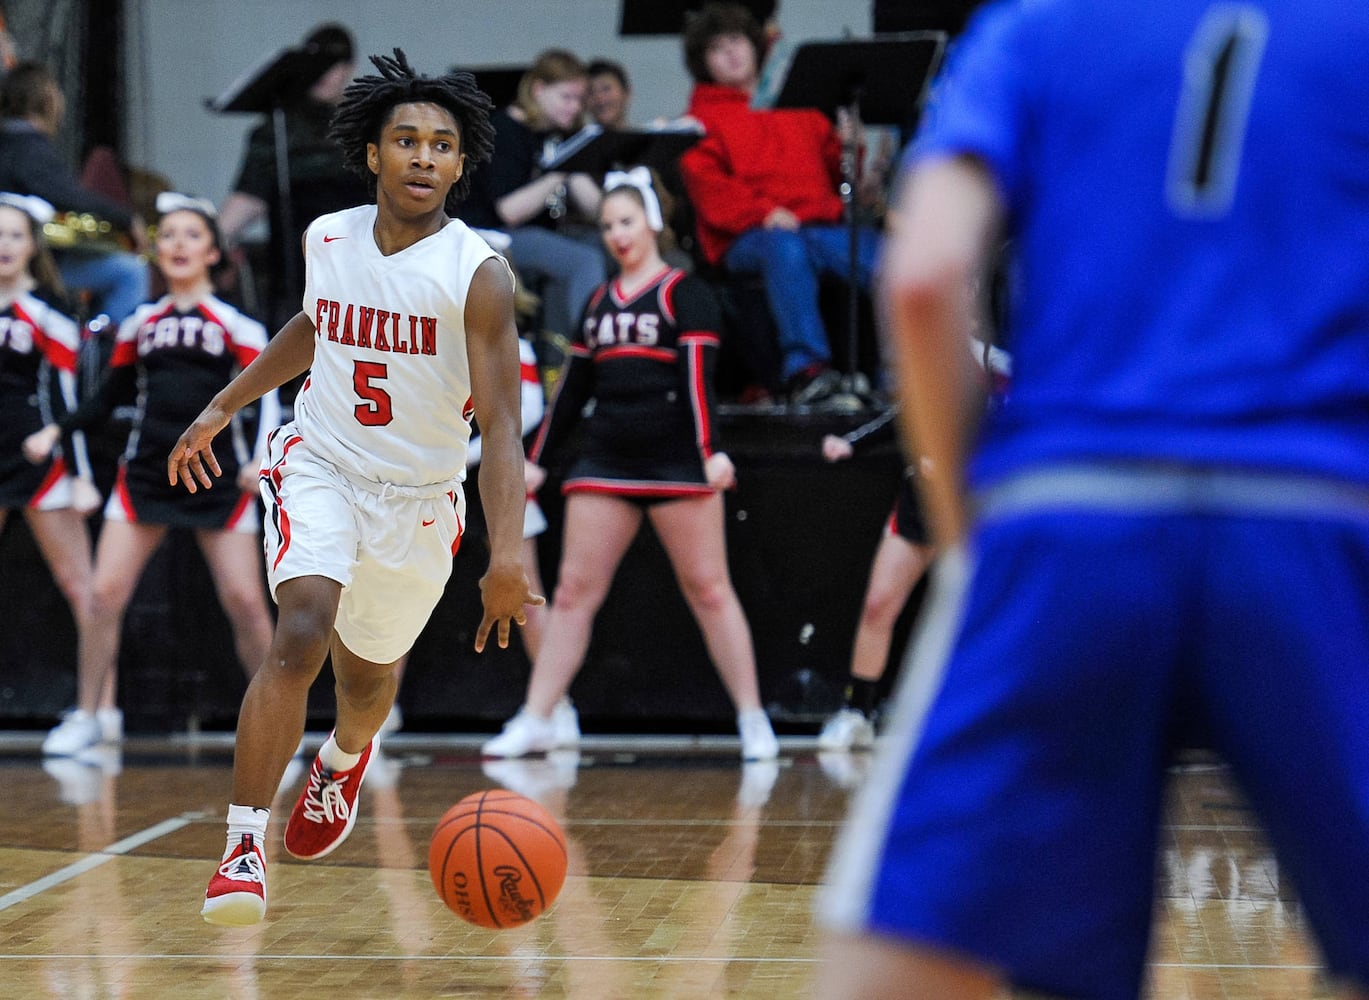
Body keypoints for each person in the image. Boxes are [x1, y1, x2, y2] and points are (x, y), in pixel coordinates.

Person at [818, 3, 1369, 999]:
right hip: (1315, 509)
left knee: (904, 956)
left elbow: (925, 275)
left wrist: (975, 536)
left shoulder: (1036, 27)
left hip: (1067, 510)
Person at [167, 50, 538, 927]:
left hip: (420, 496)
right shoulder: (327, 236)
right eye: (403, 139)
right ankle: (242, 848)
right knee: (300, 633)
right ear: (371, 153)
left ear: (459, 163)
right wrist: (226, 404)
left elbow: (504, 430)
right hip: (321, 461)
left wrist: (507, 554)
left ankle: (342, 759)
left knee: (367, 683)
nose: (420, 157)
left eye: (439, 146)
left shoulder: (478, 274)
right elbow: (314, 322)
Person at [482, 170, 777, 762]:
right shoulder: (596, 302)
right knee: (570, 593)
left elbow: (698, 383)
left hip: (677, 460)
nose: (617, 235)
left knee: (710, 590)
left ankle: (752, 719)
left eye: (627, 223)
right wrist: (536, 462)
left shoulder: (684, 293)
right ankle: (538, 717)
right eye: (609, 225)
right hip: (607, 458)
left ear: (653, 225)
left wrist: (710, 452)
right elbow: (572, 394)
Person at [28, 193, 278, 757]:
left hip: (219, 476)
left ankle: (273, 728)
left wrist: (261, 459)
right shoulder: (140, 322)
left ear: (214, 251)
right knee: (103, 595)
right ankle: (90, 715)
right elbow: (107, 396)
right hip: (144, 475)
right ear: (156, 251)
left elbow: (266, 397)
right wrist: (57, 430)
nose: (179, 245)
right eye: (168, 236)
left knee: (244, 599)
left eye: (192, 235)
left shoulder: (238, 325)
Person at [678, 2, 880, 407]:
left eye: (737, 41)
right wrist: (764, 213)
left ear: (755, 45)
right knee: (785, 248)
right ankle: (808, 373)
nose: (732, 53)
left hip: (816, 227)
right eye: (718, 49)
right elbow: (711, 192)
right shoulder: (700, 118)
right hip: (748, 238)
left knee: (891, 256)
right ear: (705, 63)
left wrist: (851, 147)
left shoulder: (795, 98)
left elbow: (838, 173)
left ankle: (902, 374)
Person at [0, 192, 97, 723]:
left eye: (15, 235)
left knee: (81, 588)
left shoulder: (49, 310)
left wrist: (80, 475)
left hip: (39, 462)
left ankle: (97, 713)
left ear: (32, 245)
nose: (5, 245)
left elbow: (68, 397)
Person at [218, 23, 370, 333]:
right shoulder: (277, 129)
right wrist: (209, 240)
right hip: (300, 267)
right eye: (318, 66)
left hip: (367, 262)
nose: (326, 74)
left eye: (335, 65)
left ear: (350, 68)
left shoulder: (367, 124)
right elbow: (248, 199)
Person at [457, 49, 605, 350]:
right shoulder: (504, 130)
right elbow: (510, 211)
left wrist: (576, 159)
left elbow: (599, 212)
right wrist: (559, 171)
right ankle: (591, 354)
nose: (574, 107)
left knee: (607, 244)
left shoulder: (557, 133)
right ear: (538, 90)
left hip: (538, 233)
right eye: (566, 97)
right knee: (585, 260)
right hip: (492, 235)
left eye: (579, 100)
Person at [814, 410, 933, 752]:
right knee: (879, 603)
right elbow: (908, 409)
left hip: (987, 495)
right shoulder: (953, 360)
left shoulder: (1015, 367)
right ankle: (858, 712)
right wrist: (853, 442)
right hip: (924, 497)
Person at [0, 62, 149, 324]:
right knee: (131, 273)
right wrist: (127, 219)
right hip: (31, 262)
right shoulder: (28, 148)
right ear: (46, 98)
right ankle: (96, 352)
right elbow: (70, 197)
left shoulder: (10, 143)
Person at [585, 59, 631, 131]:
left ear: (626, 93)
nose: (600, 98)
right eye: (591, 92)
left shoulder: (647, 141)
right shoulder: (574, 141)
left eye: (606, 89)